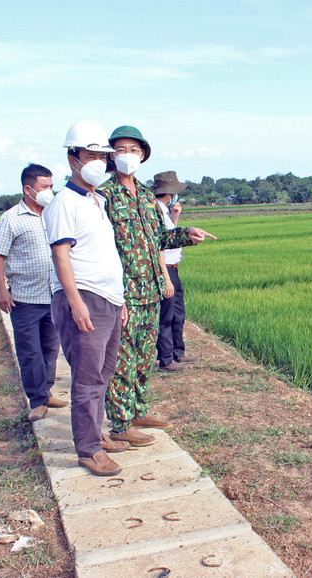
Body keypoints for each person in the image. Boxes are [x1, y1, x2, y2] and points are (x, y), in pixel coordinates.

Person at [98, 125, 217, 449]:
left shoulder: (148, 198)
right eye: (120, 150)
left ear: (143, 155)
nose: (127, 156)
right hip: (122, 294)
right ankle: (120, 423)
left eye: (133, 150)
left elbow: (157, 240)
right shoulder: (104, 196)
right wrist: (113, 294)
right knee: (122, 360)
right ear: (111, 155)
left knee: (143, 356)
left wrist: (186, 233)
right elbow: (98, 247)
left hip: (150, 291)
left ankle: (137, 411)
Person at [44, 119, 131, 477]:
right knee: (87, 376)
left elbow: (104, 253)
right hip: (85, 298)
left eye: (102, 156)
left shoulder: (97, 200)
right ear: (72, 159)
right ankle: (88, 449)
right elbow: (61, 255)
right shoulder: (64, 202)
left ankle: (97, 434)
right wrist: (75, 301)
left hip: (108, 298)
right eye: (90, 155)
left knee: (104, 372)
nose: (98, 162)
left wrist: (121, 299)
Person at [0, 163, 66, 423]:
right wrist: (2, 291)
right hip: (25, 298)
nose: (49, 191)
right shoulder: (11, 219)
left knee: (50, 349)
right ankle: (36, 400)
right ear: (28, 188)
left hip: (53, 296)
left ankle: (45, 392)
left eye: (51, 186)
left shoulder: (53, 214)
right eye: (45, 187)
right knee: (29, 351)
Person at [153, 171, 199, 372]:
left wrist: (175, 218)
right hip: (166, 271)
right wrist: (165, 278)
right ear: (170, 192)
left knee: (178, 314)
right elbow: (158, 246)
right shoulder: (154, 211)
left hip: (173, 269)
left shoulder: (165, 212)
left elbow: (169, 238)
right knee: (167, 316)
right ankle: (166, 359)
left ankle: (177, 353)